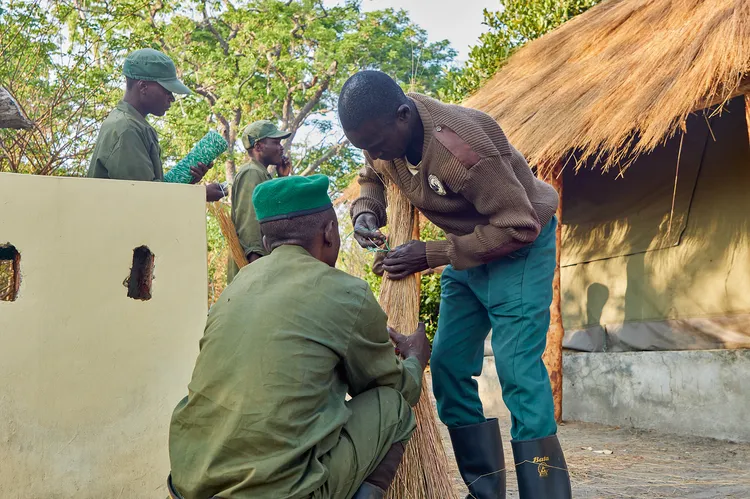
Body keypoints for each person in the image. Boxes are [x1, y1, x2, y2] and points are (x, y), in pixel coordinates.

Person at [338, 70, 572, 499]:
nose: (372, 154)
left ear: (403, 115)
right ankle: (485, 494)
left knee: (518, 372)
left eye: (376, 143)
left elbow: (518, 225)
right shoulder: (383, 137)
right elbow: (373, 175)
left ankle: (545, 493)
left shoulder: (463, 149)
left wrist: (431, 255)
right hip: (467, 252)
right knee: (447, 367)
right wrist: (365, 212)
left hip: (519, 247)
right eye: (363, 147)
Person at [167, 174, 431, 499]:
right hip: (278, 492)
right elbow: (390, 386)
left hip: (188, 484)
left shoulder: (236, 287)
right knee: (391, 405)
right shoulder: (346, 291)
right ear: (330, 233)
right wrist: (416, 360)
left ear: (266, 244)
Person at [87, 48, 225, 202]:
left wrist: (188, 180)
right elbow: (146, 199)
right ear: (143, 87)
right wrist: (200, 194)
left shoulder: (134, 124)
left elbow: (149, 189)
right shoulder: (126, 129)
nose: (171, 98)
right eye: (167, 90)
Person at [226, 119, 292, 284]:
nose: (281, 147)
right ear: (258, 147)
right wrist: (256, 268)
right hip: (254, 273)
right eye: (276, 142)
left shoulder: (262, 174)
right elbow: (249, 224)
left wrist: (282, 179)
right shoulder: (251, 173)